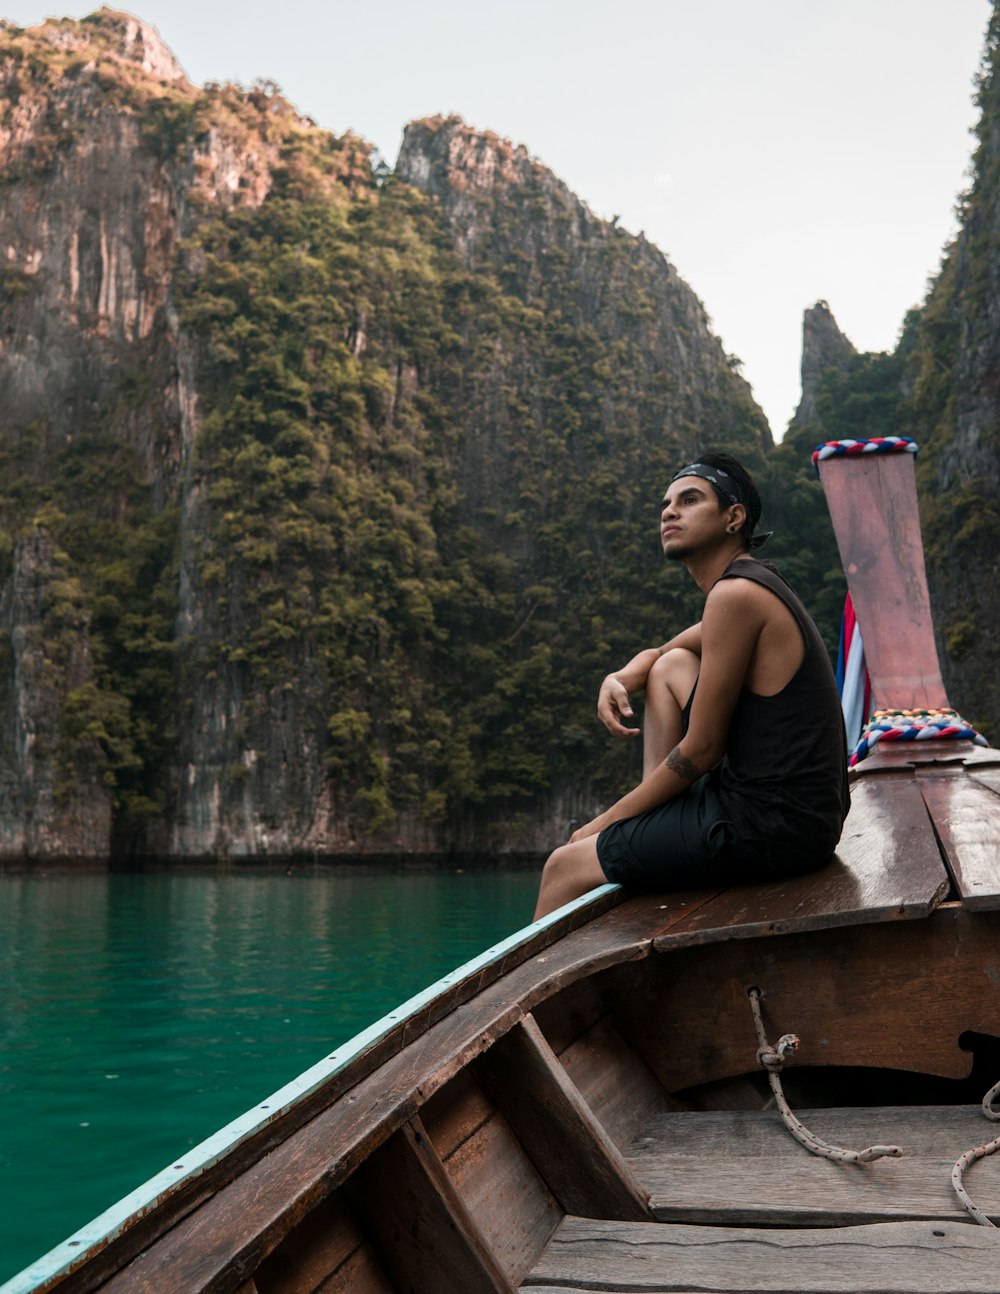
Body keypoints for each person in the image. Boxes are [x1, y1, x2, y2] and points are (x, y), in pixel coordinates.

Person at [532, 451, 849, 919]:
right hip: (794, 815)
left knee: (563, 866)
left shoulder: (735, 596)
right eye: (666, 503)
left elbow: (701, 750)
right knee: (673, 666)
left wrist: (599, 827)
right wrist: (619, 677)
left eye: (690, 499)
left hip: (773, 826)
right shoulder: (751, 586)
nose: (669, 511)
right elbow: (664, 655)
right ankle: (644, 837)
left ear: (733, 518)